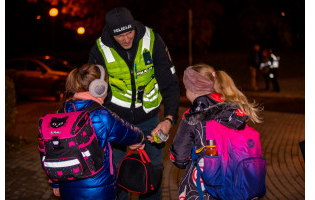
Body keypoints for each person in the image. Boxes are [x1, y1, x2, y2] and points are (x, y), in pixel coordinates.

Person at [88, 7, 180, 200]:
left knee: (151, 176)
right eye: (120, 35)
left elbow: (169, 83)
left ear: (135, 27)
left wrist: (169, 119)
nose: (126, 39)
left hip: (150, 121)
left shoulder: (152, 40)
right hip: (116, 121)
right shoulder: (99, 49)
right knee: (118, 178)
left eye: (129, 32)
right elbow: (94, 92)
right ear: (111, 33)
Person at [166, 64, 262, 199]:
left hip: (203, 188)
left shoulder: (192, 117)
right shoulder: (235, 110)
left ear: (193, 90)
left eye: (186, 88)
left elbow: (179, 159)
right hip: (235, 184)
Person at [51, 64, 145, 200]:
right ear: (99, 88)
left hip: (67, 189)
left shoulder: (60, 114)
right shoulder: (101, 115)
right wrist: (140, 138)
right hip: (99, 191)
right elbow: (128, 133)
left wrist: (55, 183)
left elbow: (52, 152)